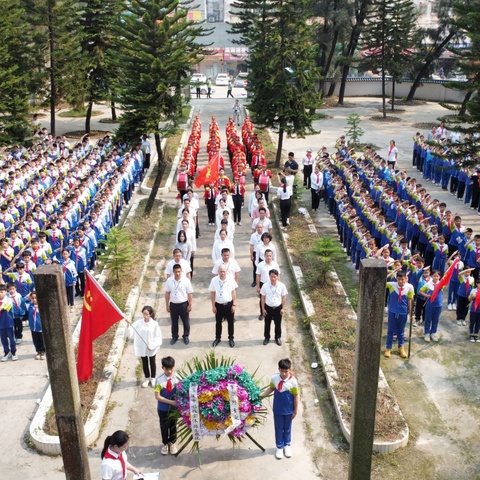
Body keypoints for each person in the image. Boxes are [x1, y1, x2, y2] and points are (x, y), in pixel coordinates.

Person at [260, 358, 299, 460]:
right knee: (278, 428)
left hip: (289, 410)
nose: (284, 374)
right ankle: (279, 447)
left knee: (287, 428)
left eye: (286, 371)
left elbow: (296, 396)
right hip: (278, 409)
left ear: (289, 370)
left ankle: (287, 445)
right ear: (279, 370)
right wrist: (261, 396)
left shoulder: (293, 382)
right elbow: (271, 388)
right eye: (282, 371)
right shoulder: (275, 378)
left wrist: (295, 410)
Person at [384, 271, 414, 358]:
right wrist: (392, 272)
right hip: (392, 311)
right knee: (390, 330)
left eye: (402, 279)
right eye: (399, 279)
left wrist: (411, 313)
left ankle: (401, 348)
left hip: (403, 312)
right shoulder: (391, 285)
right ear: (396, 278)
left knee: (401, 331)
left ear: (406, 279)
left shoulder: (410, 287)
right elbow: (382, 281)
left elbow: (410, 300)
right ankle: (388, 348)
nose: (401, 281)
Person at [131, 306, 162, 388]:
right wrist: (128, 325)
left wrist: (153, 345)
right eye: (144, 314)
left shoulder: (154, 324)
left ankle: (153, 378)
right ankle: (147, 378)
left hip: (151, 347)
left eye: (147, 314)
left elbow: (158, 337)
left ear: (150, 314)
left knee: (152, 362)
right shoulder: (139, 323)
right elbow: (131, 329)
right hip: (142, 347)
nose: (145, 316)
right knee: (144, 363)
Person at [154, 356, 179, 455]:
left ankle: (172, 443)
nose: (169, 371)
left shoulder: (177, 377)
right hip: (163, 408)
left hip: (174, 408)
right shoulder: (159, 380)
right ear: (162, 368)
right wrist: (171, 402)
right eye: (167, 369)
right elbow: (157, 396)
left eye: (171, 368)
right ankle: (165, 443)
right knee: (164, 426)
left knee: (173, 425)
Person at [164, 264, 193, 345]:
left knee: (185, 321)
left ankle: (186, 336)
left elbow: (190, 293)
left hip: (183, 304)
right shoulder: (169, 280)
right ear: (173, 272)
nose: (177, 273)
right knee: (174, 321)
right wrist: (167, 304)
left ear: (181, 272)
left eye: (179, 272)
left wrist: (189, 305)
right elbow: (167, 293)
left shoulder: (186, 281)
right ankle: (174, 336)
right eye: (176, 272)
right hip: (173, 304)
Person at [209, 265, 237, 347]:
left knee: (230, 322)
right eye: (220, 271)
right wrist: (213, 306)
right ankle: (218, 338)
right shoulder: (214, 280)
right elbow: (212, 293)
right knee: (218, 322)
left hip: (228, 304)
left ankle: (231, 338)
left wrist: (234, 304)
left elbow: (233, 292)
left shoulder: (231, 280)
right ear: (218, 272)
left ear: (226, 272)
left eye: (224, 271)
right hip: (218, 305)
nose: (222, 273)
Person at [260, 269, 287, 346]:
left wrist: (283, 308)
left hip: (278, 307)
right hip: (268, 307)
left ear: (277, 277)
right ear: (269, 276)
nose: (273, 278)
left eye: (275, 277)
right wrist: (263, 309)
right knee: (267, 324)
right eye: (271, 277)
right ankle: (267, 337)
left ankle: (277, 337)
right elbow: (262, 298)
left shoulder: (282, 286)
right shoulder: (265, 286)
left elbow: (284, 297)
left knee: (278, 324)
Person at [0, 284, 16, 362]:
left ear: (6, 292)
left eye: (1, 292)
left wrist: (2, 307)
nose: (0, 293)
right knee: (3, 339)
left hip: (8, 322)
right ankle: (6, 352)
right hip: (1, 324)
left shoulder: (8, 300)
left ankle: (13, 352)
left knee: (11, 338)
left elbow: (6, 306)